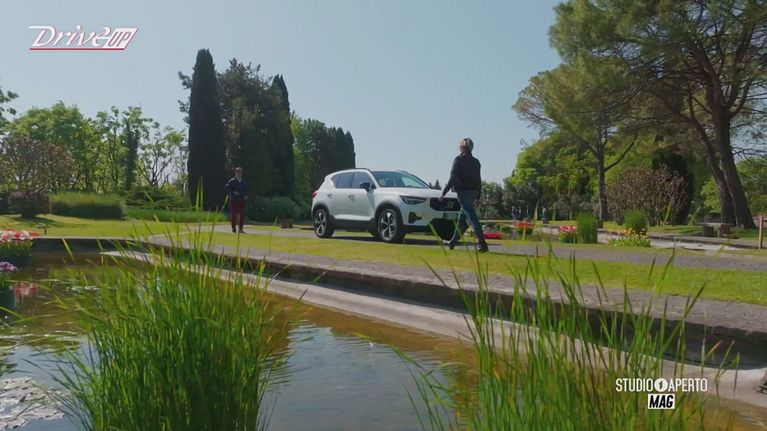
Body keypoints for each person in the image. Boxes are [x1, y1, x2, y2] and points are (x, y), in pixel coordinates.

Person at [439, 137, 489, 252]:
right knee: (462, 220)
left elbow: (452, 177)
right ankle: (452, 243)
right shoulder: (476, 162)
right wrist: (478, 196)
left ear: (461, 147)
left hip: (463, 192)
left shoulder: (458, 160)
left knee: (472, 217)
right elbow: (478, 180)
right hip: (473, 192)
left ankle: (482, 243)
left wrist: (444, 193)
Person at [225, 167, 247, 234]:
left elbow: (246, 190)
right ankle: (234, 229)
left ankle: (240, 229)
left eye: (240, 172)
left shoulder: (243, 181)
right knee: (234, 215)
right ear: (235, 173)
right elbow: (227, 188)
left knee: (242, 215)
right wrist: (233, 192)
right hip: (234, 200)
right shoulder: (232, 181)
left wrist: (245, 196)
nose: (239, 173)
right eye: (238, 172)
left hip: (241, 200)